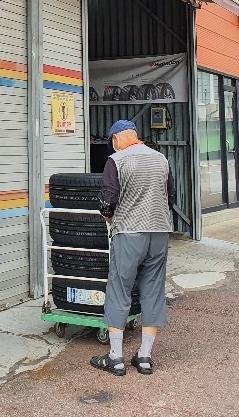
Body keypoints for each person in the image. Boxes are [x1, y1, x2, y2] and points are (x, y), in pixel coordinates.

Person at [89, 119, 175, 376]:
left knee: (119, 289)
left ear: (116, 139)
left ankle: (115, 358)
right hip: (159, 233)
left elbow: (107, 204)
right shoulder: (162, 159)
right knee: (153, 290)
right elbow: (171, 197)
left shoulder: (117, 161)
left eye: (112, 143)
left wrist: (111, 221)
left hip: (129, 233)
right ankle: (145, 357)